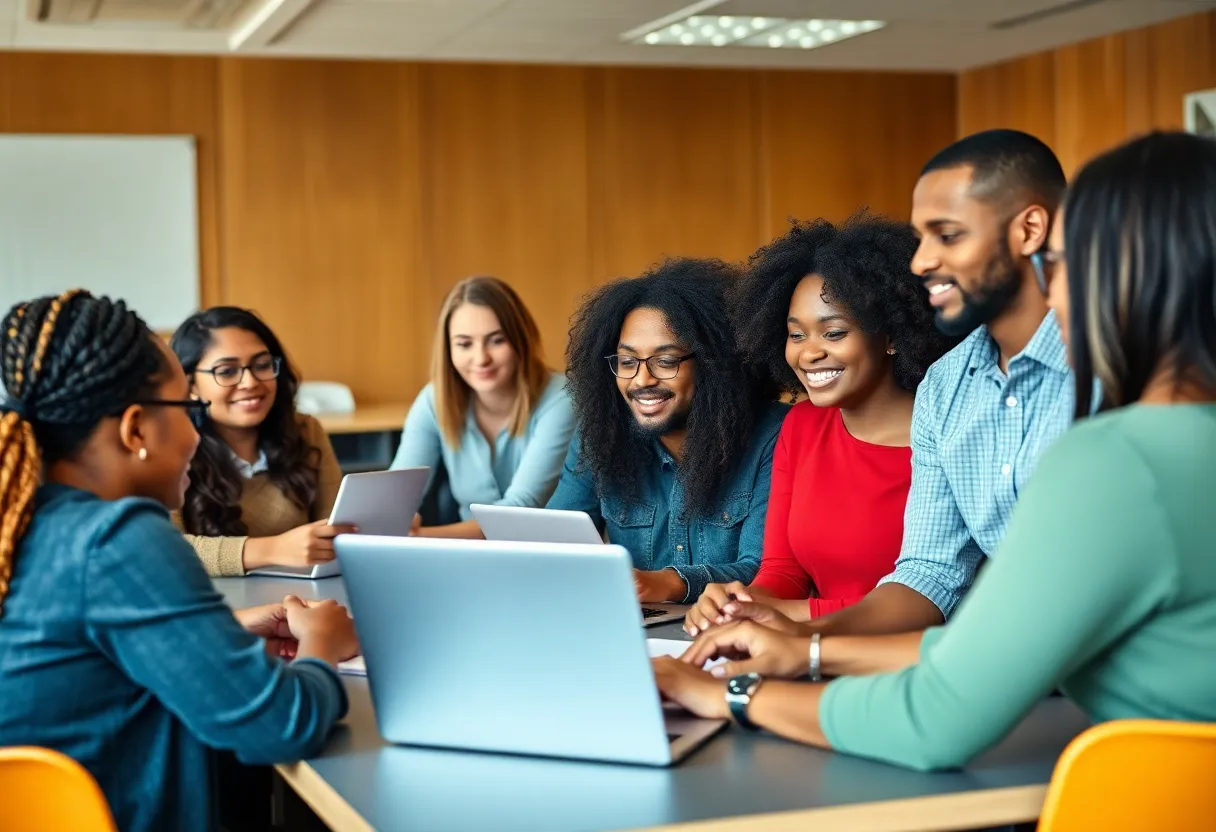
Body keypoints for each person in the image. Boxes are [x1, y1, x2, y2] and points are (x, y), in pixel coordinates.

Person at [654, 130, 1216, 768]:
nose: (1051, 289)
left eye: (1062, 263)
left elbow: (939, 716)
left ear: (1130, 276)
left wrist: (730, 695)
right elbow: (989, 637)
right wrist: (809, 647)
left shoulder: (1113, 455)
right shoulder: (967, 392)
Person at [702, 130, 1073, 657]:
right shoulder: (946, 388)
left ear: (1031, 229)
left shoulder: (1117, 368)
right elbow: (929, 576)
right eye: (921, 238)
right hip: (1009, 670)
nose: (921, 263)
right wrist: (793, 638)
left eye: (946, 235)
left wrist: (803, 642)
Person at [0, 291, 359, 831]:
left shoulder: (27, 520)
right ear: (135, 430)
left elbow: (81, 649)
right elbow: (281, 725)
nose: (198, 431)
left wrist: (217, 630)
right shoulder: (117, 538)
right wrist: (322, 645)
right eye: (189, 409)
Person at [685, 214, 955, 635]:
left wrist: (792, 617)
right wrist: (737, 603)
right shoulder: (802, 426)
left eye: (833, 333)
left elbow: (932, 598)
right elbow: (782, 573)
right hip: (807, 651)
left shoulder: (945, 437)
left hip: (907, 659)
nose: (809, 354)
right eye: (796, 335)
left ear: (892, 336)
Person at [547, 258, 787, 603]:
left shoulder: (774, 436)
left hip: (734, 633)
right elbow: (551, 539)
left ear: (714, 364)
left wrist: (671, 583)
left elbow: (767, 571)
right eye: (628, 362)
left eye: (666, 361)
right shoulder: (601, 434)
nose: (642, 380)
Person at [170, 307, 351, 577]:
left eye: (262, 365)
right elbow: (166, 551)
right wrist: (273, 549)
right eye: (227, 371)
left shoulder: (305, 430)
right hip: (216, 607)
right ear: (191, 385)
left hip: (302, 599)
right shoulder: (169, 445)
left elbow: (334, 525)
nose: (250, 382)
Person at [391, 276, 574, 538]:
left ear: (520, 340)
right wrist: (397, 516)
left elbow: (521, 510)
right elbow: (395, 495)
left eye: (496, 340)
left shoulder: (561, 398)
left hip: (551, 554)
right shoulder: (434, 399)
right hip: (472, 559)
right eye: (464, 344)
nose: (481, 358)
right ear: (448, 349)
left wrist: (418, 537)